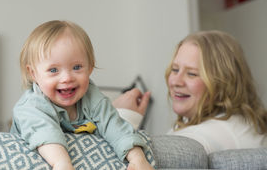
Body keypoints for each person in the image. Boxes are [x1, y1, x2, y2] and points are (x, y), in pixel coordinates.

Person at [11, 20, 159, 170]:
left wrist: (137, 157)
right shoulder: (31, 105)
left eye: (77, 67)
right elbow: (45, 133)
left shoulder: (92, 97)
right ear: (34, 73)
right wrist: (62, 164)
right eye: (53, 70)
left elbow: (113, 124)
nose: (67, 78)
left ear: (90, 67)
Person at [113, 30, 267, 154]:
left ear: (223, 82)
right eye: (175, 70)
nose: (175, 82)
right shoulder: (229, 123)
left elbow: (140, 161)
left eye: (192, 74)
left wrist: (120, 116)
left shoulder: (213, 134)